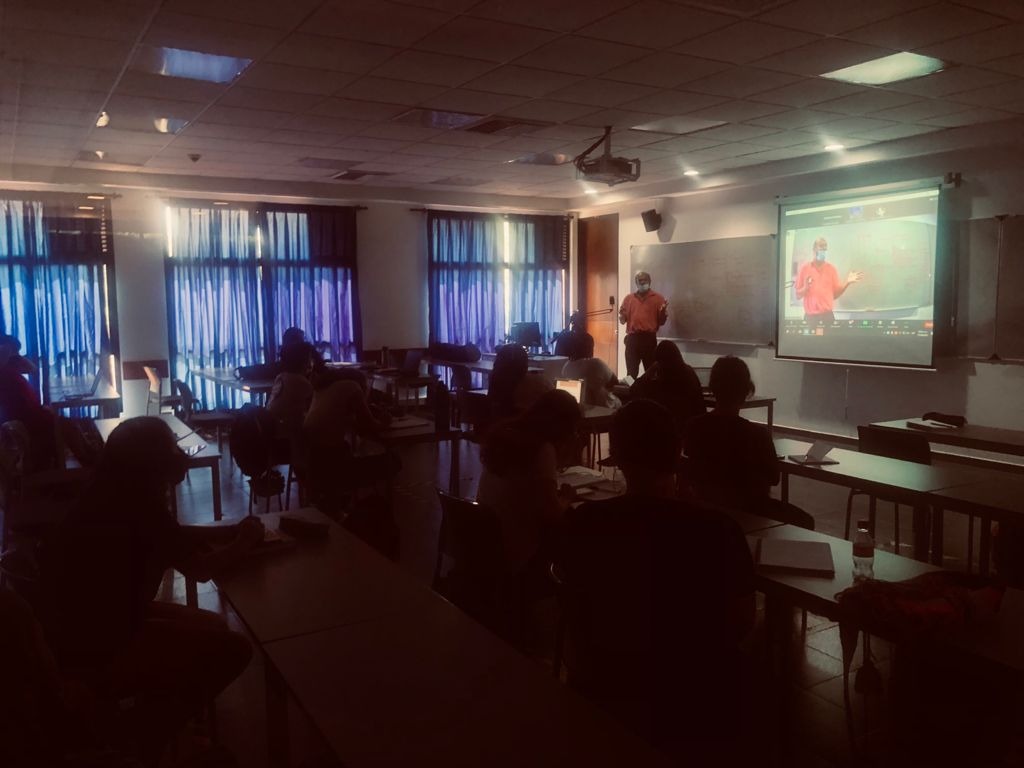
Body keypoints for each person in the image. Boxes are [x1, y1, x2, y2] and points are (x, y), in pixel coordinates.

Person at [38, 416, 263, 763]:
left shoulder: (112, 491)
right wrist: (244, 542)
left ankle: (161, 715)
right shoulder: (138, 503)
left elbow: (170, 536)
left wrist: (226, 531)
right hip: (102, 646)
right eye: (170, 448)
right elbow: (200, 570)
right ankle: (140, 734)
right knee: (235, 650)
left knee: (214, 627)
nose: (178, 455)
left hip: (81, 628)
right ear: (153, 461)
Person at [555, 399, 758, 755]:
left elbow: (575, 612)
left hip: (605, 686)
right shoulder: (718, 530)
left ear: (616, 456)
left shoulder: (583, 523)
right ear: (678, 452)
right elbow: (741, 623)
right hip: (697, 695)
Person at [477, 390, 582, 586]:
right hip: (520, 554)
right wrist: (567, 498)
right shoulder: (542, 449)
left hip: (488, 547)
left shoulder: (504, 437)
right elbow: (552, 514)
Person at [684, 355, 779, 511]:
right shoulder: (758, 435)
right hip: (749, 514)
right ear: (746, 391)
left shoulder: (694, 427)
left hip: (705, 512)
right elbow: (774, 478)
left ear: (713, 388)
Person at [629, 340, 705, 433]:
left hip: (668, 432)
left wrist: (650, 370)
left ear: (660, 363)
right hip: (692, 431)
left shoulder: (660, 384)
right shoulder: (689, 373)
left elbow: (634, 389)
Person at [794, 237, 864, 324]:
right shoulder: (805, 268)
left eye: (825, 249)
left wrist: (847, 283)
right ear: (814, 250)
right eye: (821, 247)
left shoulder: (831, 269)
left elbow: (835, 295)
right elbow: (797, 295)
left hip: (827, 316)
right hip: (810, 318)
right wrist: (805, 288)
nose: (823, 250)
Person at [486, 343, 552, 424]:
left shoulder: (494, 380)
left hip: (499, 429)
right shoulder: (540, 382)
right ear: (525, 363)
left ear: (497, 362)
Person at [618, 271, 668, 378]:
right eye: (639, 280)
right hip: (632, 340)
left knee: (651, 373)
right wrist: (621, 316)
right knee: (630, 374)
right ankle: (631, 389)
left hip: (649, 340)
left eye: (645, 280)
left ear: (649, 281)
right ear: (636, 283)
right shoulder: (628, 298)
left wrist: (663, 313)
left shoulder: (658, 298)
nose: (642, 283)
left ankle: (649, 390)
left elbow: (662, 322)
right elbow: (622, 321)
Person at [560, 331, 620, 409]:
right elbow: (614, 382)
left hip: (578, 408)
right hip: (603, 408)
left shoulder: (566, 367)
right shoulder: (596, 363)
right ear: (590, 348)